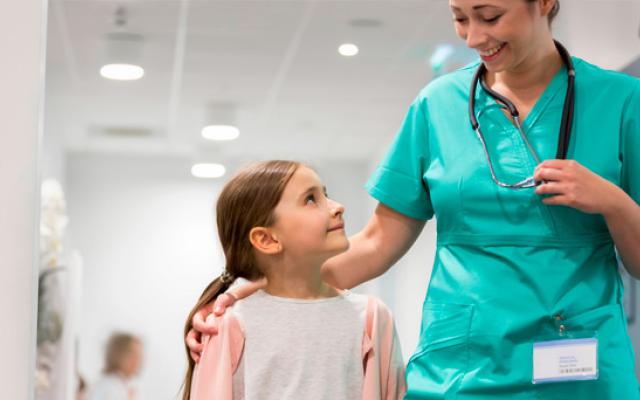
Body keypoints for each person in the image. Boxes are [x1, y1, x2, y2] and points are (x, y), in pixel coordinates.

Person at [186, 0, 640, 398]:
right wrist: (264, 290)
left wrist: (614, 202)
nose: (473, 37)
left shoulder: (623, 101)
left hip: (580, 363)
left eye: (490, 16)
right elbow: (378, 242)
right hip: (462, 367)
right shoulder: (437, 104)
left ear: (544, 2)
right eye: (460, 18)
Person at [181, 160, 405, 400]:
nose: (338, 206)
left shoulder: (373, 317)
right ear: (267, 240)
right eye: (311, 199)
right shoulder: (229, 325)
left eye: (325, 194)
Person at [88, 333, 143, 400]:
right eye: (132, 354)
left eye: (139, 355)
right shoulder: (108, 388)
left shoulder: (122, 387)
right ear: (117, 355)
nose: (137, 360)